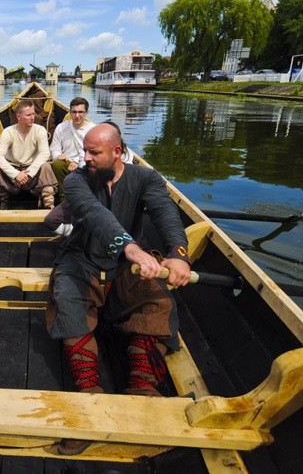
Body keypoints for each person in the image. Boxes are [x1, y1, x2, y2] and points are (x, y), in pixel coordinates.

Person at [45, 123, 191, 455]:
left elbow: (166, 213)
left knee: (160, 300)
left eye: (93, 152)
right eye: (85, 150)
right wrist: (131, 247)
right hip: (82, 260)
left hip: (126, 268)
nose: (85, 158)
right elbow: (95, 214)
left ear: (116, 152)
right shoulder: (77, 180)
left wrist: (177, 255)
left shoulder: (146, 178)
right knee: (66, 298)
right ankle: (88, 389)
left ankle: (142, 385)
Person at [43, 121, 135, 235]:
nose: (88, 156)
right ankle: (75, 235)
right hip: (89, 193)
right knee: (51, 220)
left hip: (114, 198)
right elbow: (83, 164)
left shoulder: (127, 158)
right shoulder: (89, 153)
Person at [0, 100, 58, 210]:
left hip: (31, 170)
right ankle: (4, 199)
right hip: (12, 171)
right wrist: (15, 175)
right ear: (18, 116)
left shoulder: (39, 130)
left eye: (33, 114)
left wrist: (29, 173)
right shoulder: (8, 132)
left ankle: (48, 202)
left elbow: (44, 153)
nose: (32, 117)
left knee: (46, 166)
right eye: (28, 115)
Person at [50, 96, 95, 204]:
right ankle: (63, 200)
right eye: (74, 112)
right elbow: (54, 149)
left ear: (86, 113)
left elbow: (93, 152)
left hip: (85, 162)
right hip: (66, 162)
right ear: (70, 112)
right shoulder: (61, 127)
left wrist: (78, 162)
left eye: (81, 112)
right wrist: (59, 156)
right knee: (57, 165)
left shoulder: (92, 129)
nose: (77, 116)